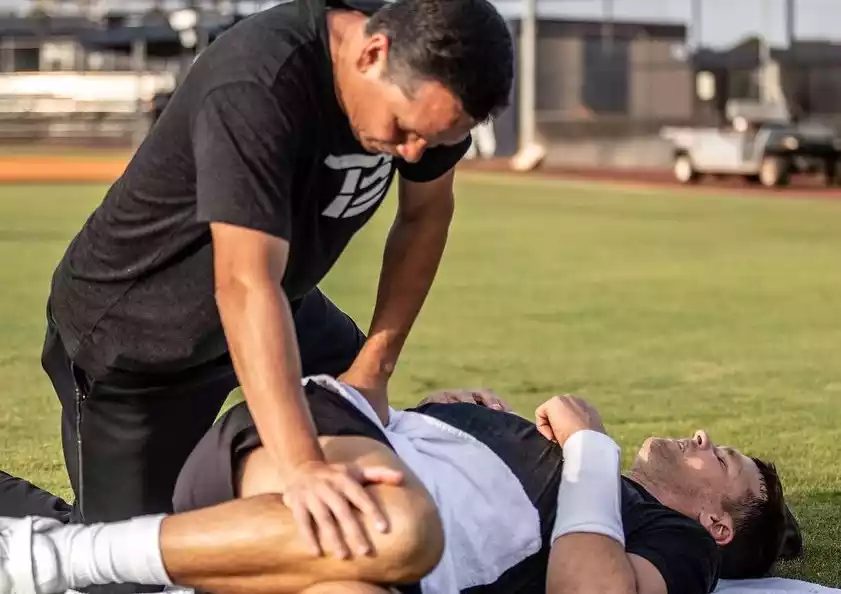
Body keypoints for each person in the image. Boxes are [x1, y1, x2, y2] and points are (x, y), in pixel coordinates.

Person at [6, 2, 513, 591]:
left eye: (436, 138)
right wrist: (300, 466)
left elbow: (424, 217)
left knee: (372, 435)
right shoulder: (259, 80)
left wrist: (373, 368)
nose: (413, 154)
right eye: (404, 129)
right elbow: (243, 283)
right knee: (125, 568)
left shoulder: (432, 81)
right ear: (372, 54)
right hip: (138, 337)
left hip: (283, 304)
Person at [0, 379, 799, 594]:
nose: (701, 438)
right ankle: (66, 557)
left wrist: (591, 444)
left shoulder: (673, 539)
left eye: (719, 458)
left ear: (717, 523)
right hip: (323, 440)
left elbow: (586, 591)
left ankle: (68, 557)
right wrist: (449, 419)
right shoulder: (565, 471)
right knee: (368, 525)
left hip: (346, 538)